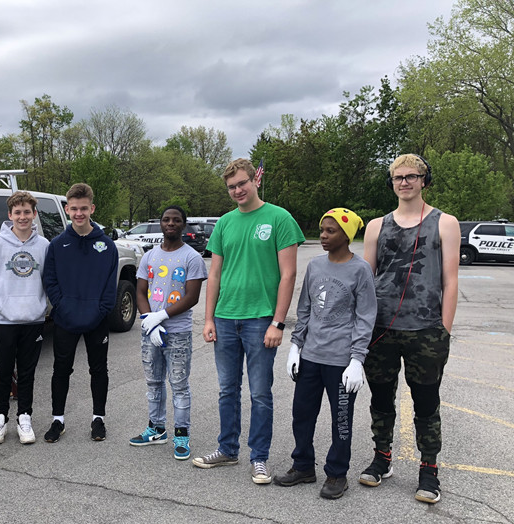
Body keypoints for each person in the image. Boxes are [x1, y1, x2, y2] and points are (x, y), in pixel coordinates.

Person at [193, 158, 304, 484]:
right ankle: (227, 449)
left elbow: (289, 274)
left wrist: (278, 323)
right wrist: (208, 318)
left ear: (255, 180)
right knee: (227, 390)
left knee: (260, 393)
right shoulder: (225, 223)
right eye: (231, 187)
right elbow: (214, 274)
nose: (237, 190)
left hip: (260, 320)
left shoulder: (279, 218)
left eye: (242, 183)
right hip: (226, 319)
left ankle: (259, 457)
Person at [359, 154, 460, 504]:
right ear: (392, 183)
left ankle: (429, 468)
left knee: (426, 403)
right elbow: (366, 280)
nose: (404, 182)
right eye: (398, 177)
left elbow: (450, 279)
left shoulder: (445, 223)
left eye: (412, 176)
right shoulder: (376, 226)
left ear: (424, 180)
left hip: (425, 331)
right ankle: (382, 457)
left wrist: (443, 330)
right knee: (381, 399)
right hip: (382, 329)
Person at [274, 208, 377, 499]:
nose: (323, 235)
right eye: (322, 229)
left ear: (347, 235)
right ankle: (303, 465)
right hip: (311, 356)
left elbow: (366, 316)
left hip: (341, 361)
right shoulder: (316, 266)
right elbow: (305, 308)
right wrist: (296, 346)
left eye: (331, 231)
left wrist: (357, 359)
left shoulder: (360, 270)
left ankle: (337, 473)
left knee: (340, 419)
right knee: (302, 414)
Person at [42, 183, 118, 442]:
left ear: (92, 208)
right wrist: (61, 306)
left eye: (83, 208)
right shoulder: (57, 245)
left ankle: (98, 419)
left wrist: (101, 310)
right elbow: (50, 280)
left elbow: (111, 284)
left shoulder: (107, 246)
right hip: (66, 319)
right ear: (67, 209)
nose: (78, 213)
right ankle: (58, 420)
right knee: (61, 369)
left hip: (96, 320)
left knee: (99, 370)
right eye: (73, 208)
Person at [129, 206, 207, 460]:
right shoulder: (150, 256)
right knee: (153, 382)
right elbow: (141, 291)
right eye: (166, 219)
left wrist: (162, 316)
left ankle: (181, 434)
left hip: (178, 333)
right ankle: (156, 428)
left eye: (176, 220)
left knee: (179, 384)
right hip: (151, 331)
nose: (170, 223)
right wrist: (149, 320)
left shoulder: (191, 257)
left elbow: (192, 296)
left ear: (183, 225)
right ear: (160, 223)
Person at [0, 191, 49, 445]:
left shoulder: (43, 246)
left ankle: (25, 417)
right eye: (17, 212)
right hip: (4, 320)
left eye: (27, 212)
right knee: (2, 371)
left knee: (27, 372)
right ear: (10, 215)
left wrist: (39, 307)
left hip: (32, 320)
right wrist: (0, 306)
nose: (23, 217)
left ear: (34, 214)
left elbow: (47, 281)